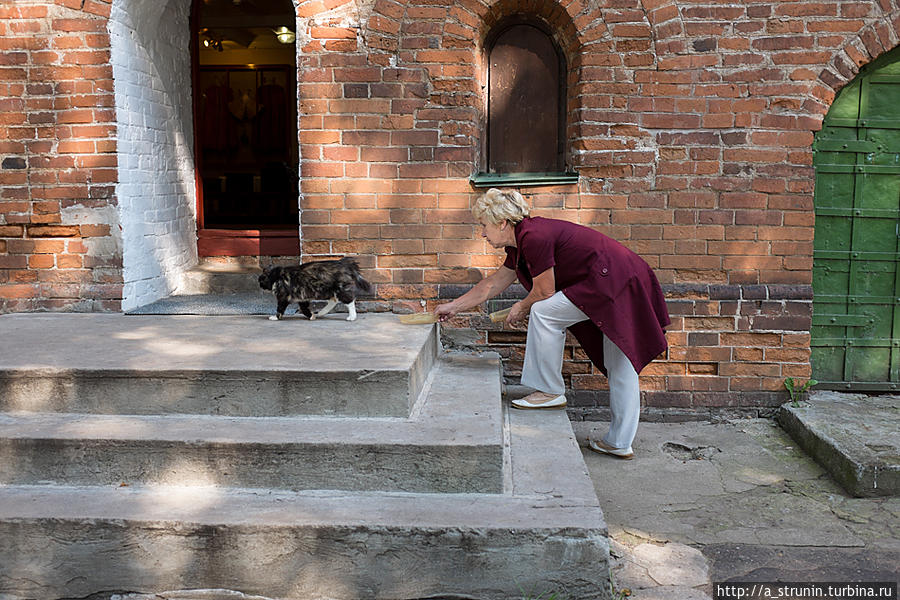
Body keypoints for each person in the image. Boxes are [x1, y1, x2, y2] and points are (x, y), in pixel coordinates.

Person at [434, 188, 670, 460]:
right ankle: (619, 442)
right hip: (622, 278)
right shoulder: (521, 244)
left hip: (616, 280)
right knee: (619, 362)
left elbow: (545, 292)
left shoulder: (533, 237)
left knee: (544, 312)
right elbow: (492, 284)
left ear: (502, 222)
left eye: (484, 225)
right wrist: (453, 306)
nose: (483, 233)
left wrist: (521, 307)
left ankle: (549, 390)